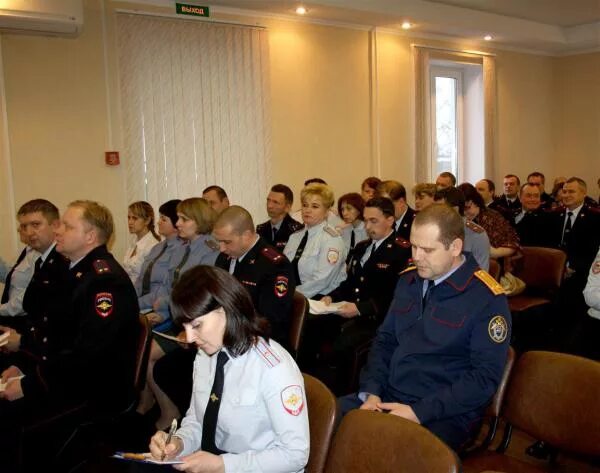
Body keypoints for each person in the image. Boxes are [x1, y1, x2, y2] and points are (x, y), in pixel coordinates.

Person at [339, 204, 511, 451]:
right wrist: (372, 391)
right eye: (414, 246)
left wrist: (419, 412)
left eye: (427, 249)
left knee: (386, 452)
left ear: (455, 247)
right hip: (389, 394)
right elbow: (385, 341)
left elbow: (484, 378)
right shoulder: (409, 281)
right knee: (327, 422)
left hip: (443, 412)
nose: (416, 256)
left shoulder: (486, 298)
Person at [0, 200, 140, 471]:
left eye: (67, 226)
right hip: (71, 378)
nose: (58, 231)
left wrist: (29, 384)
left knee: (10, 421)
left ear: (90, 236)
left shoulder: (103, 281)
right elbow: (55, 338)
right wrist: (23, 366)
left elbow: (89, 356)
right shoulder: (76, 271)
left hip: (96, 390)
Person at [147, 265, 309, 472]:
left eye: (196, 325)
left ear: (226, 310)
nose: (189, 338)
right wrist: (177, 443)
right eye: (184, 328)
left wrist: (223, 465)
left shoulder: (273, 368)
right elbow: (198, 420)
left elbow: (295, 455)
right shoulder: (206, 353)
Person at [153, 206, 297, 418]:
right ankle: (200, 421)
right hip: (222, 339)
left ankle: (212, 422)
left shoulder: (274, 265)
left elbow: (270, 319)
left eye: (226, 242)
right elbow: (212, 303)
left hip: (254, 346)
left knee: (178, 370)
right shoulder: (226, 257)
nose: (220, 248)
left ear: (247, 235)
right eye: (219, 241)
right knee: (166, 369)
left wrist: (221, 334)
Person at [315, 197, 411, 393]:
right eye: (366, 220)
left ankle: (342, 395)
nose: (367, 226)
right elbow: (351, 282)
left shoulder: (402, 251)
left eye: (373, 221)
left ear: (390, 220)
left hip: (379, 319)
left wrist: (360, 309)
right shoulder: (362, 248)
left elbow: (398, 296)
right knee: (315, 327)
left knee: (343, 345)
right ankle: (318, 392)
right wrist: (331, 297)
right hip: (353, 312)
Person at [139, 198, 220, 429]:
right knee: (140, 344)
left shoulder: (210, 250)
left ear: (200, 221)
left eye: (185, 219)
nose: (179, 224)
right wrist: (162, 311)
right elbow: (166, 285)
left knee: (150, 354)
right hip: (172, 315)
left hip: (192, 321)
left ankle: (169, 409)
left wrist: (163, 309)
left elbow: (197, 295)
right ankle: (147, 400)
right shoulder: (182, 247)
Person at [1, 199, 71, 357]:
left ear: (55, 225)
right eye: (25, 226)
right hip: (32, 340)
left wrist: (22, 342)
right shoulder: (41, 258)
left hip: (42, 346)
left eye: (36, 224)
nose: (29, 232)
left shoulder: (61, 261)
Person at [284, 183, 346, 298]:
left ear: (327, 211)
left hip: (320, 300)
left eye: (315, 206)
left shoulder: (332, 239)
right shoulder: (295, 237)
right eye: (305, 205)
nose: (307, 210)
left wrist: (290, 296)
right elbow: (283, 269)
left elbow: (321, 280)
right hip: (292, 297)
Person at [135, 199, 182, 311]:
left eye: (163, 219)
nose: (158, 222)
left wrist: (135, 304)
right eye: (160, 218)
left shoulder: (181, 250)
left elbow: (165, 290)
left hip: (158, 307)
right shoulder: (157, 248)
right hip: (139, 303)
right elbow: (141, 279)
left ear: (176, 224)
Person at [434, 187, 490, 271]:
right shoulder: (435, 230)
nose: (435, 214)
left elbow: (480, 275)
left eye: (440, 210)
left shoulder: (476, 235)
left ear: (455, 210)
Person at [459, 183, 520, 259]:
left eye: (467, 208)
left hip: (491, 261)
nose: (464, 213)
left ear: (476, 201)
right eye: (461, 210)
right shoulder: (458, 218)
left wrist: (496, 252)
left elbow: (513, 242)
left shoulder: (493, 217)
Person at [0, 216, 39, 326]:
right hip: (11, 316)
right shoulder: (25, 251)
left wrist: (2, 310)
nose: (18, 229)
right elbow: (10, 279)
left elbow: (29, 297)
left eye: (23, 226)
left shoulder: (39, 256)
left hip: (23, 319)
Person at [256, 184, 303, 252]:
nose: (269, 205)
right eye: (268, 200)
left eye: (275, 202)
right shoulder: (261, 229)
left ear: (287, 207)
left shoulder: (297, 230)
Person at [123, 201, 160, 283]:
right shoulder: (133, 242)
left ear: (147, 220)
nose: (130, 222)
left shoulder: (153, 246)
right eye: (129, 217)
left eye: (135, 218)